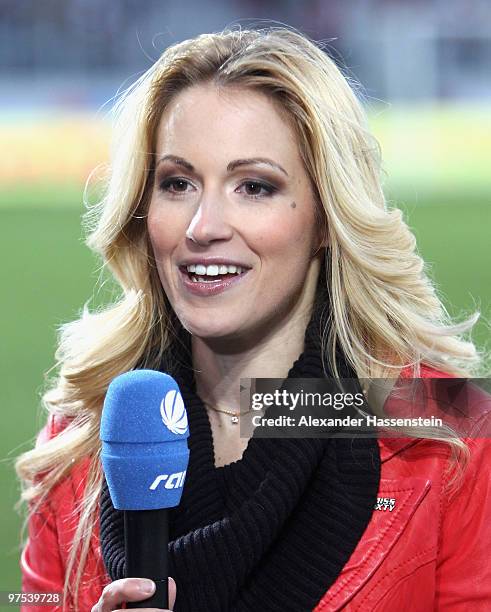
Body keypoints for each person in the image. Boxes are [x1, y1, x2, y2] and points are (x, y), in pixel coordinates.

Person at [16, 26, 491, 612]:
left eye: (255, 186)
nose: (203, 226)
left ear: (325, 217)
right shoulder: (83, 436)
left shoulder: (452, 428)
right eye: (178, 183)